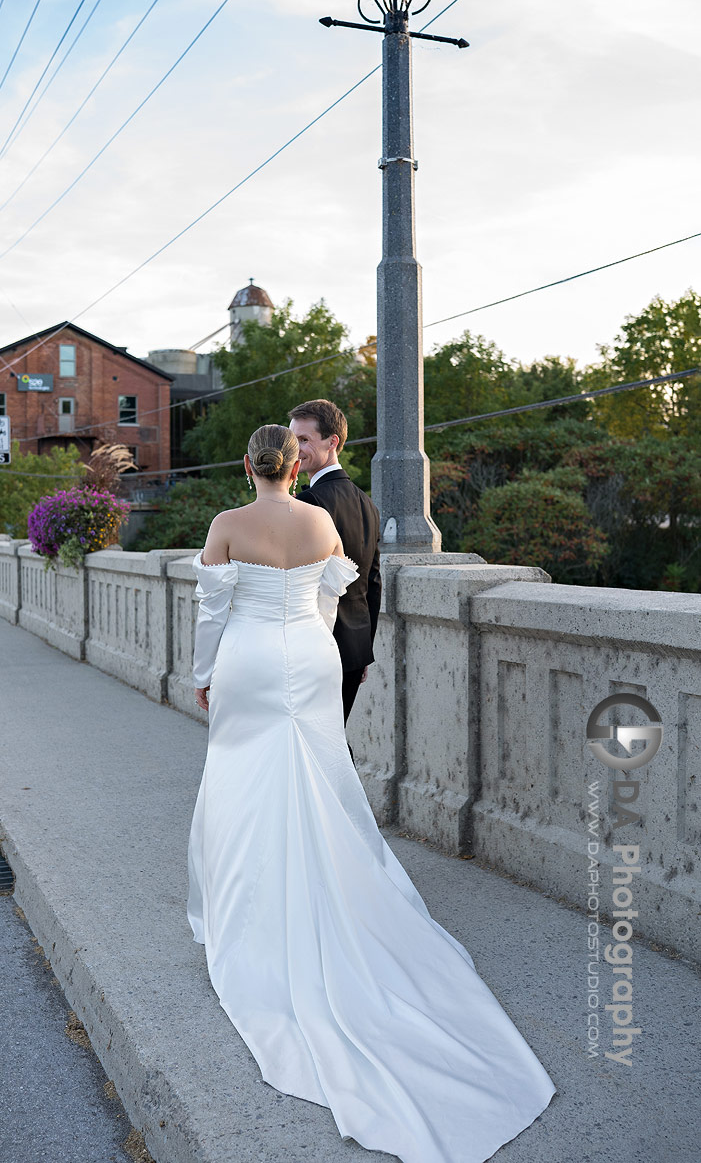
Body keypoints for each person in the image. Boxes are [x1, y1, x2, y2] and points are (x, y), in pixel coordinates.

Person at [187, 423, 556, 1163]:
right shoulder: (321, 520)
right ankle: (336, 890)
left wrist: (204, 673)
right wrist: (310, 654)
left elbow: (212, 612)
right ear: (296, 463)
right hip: (309, 659)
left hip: (251, 660)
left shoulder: (228, 524)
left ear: (247, 466)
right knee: (321, 780)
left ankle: (247, 908)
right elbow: (329, 603)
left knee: (241, 780)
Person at [288, 399, 380, 723]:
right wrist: (364, 650)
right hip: (355, 649)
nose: (295, 449)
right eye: (292, 440)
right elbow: (372, 584)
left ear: (333, 442)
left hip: (318, 646)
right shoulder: (367, 503)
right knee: (332, 741)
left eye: (304, 440)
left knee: (316, 743)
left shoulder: (310, 501)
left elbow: (299, 582)